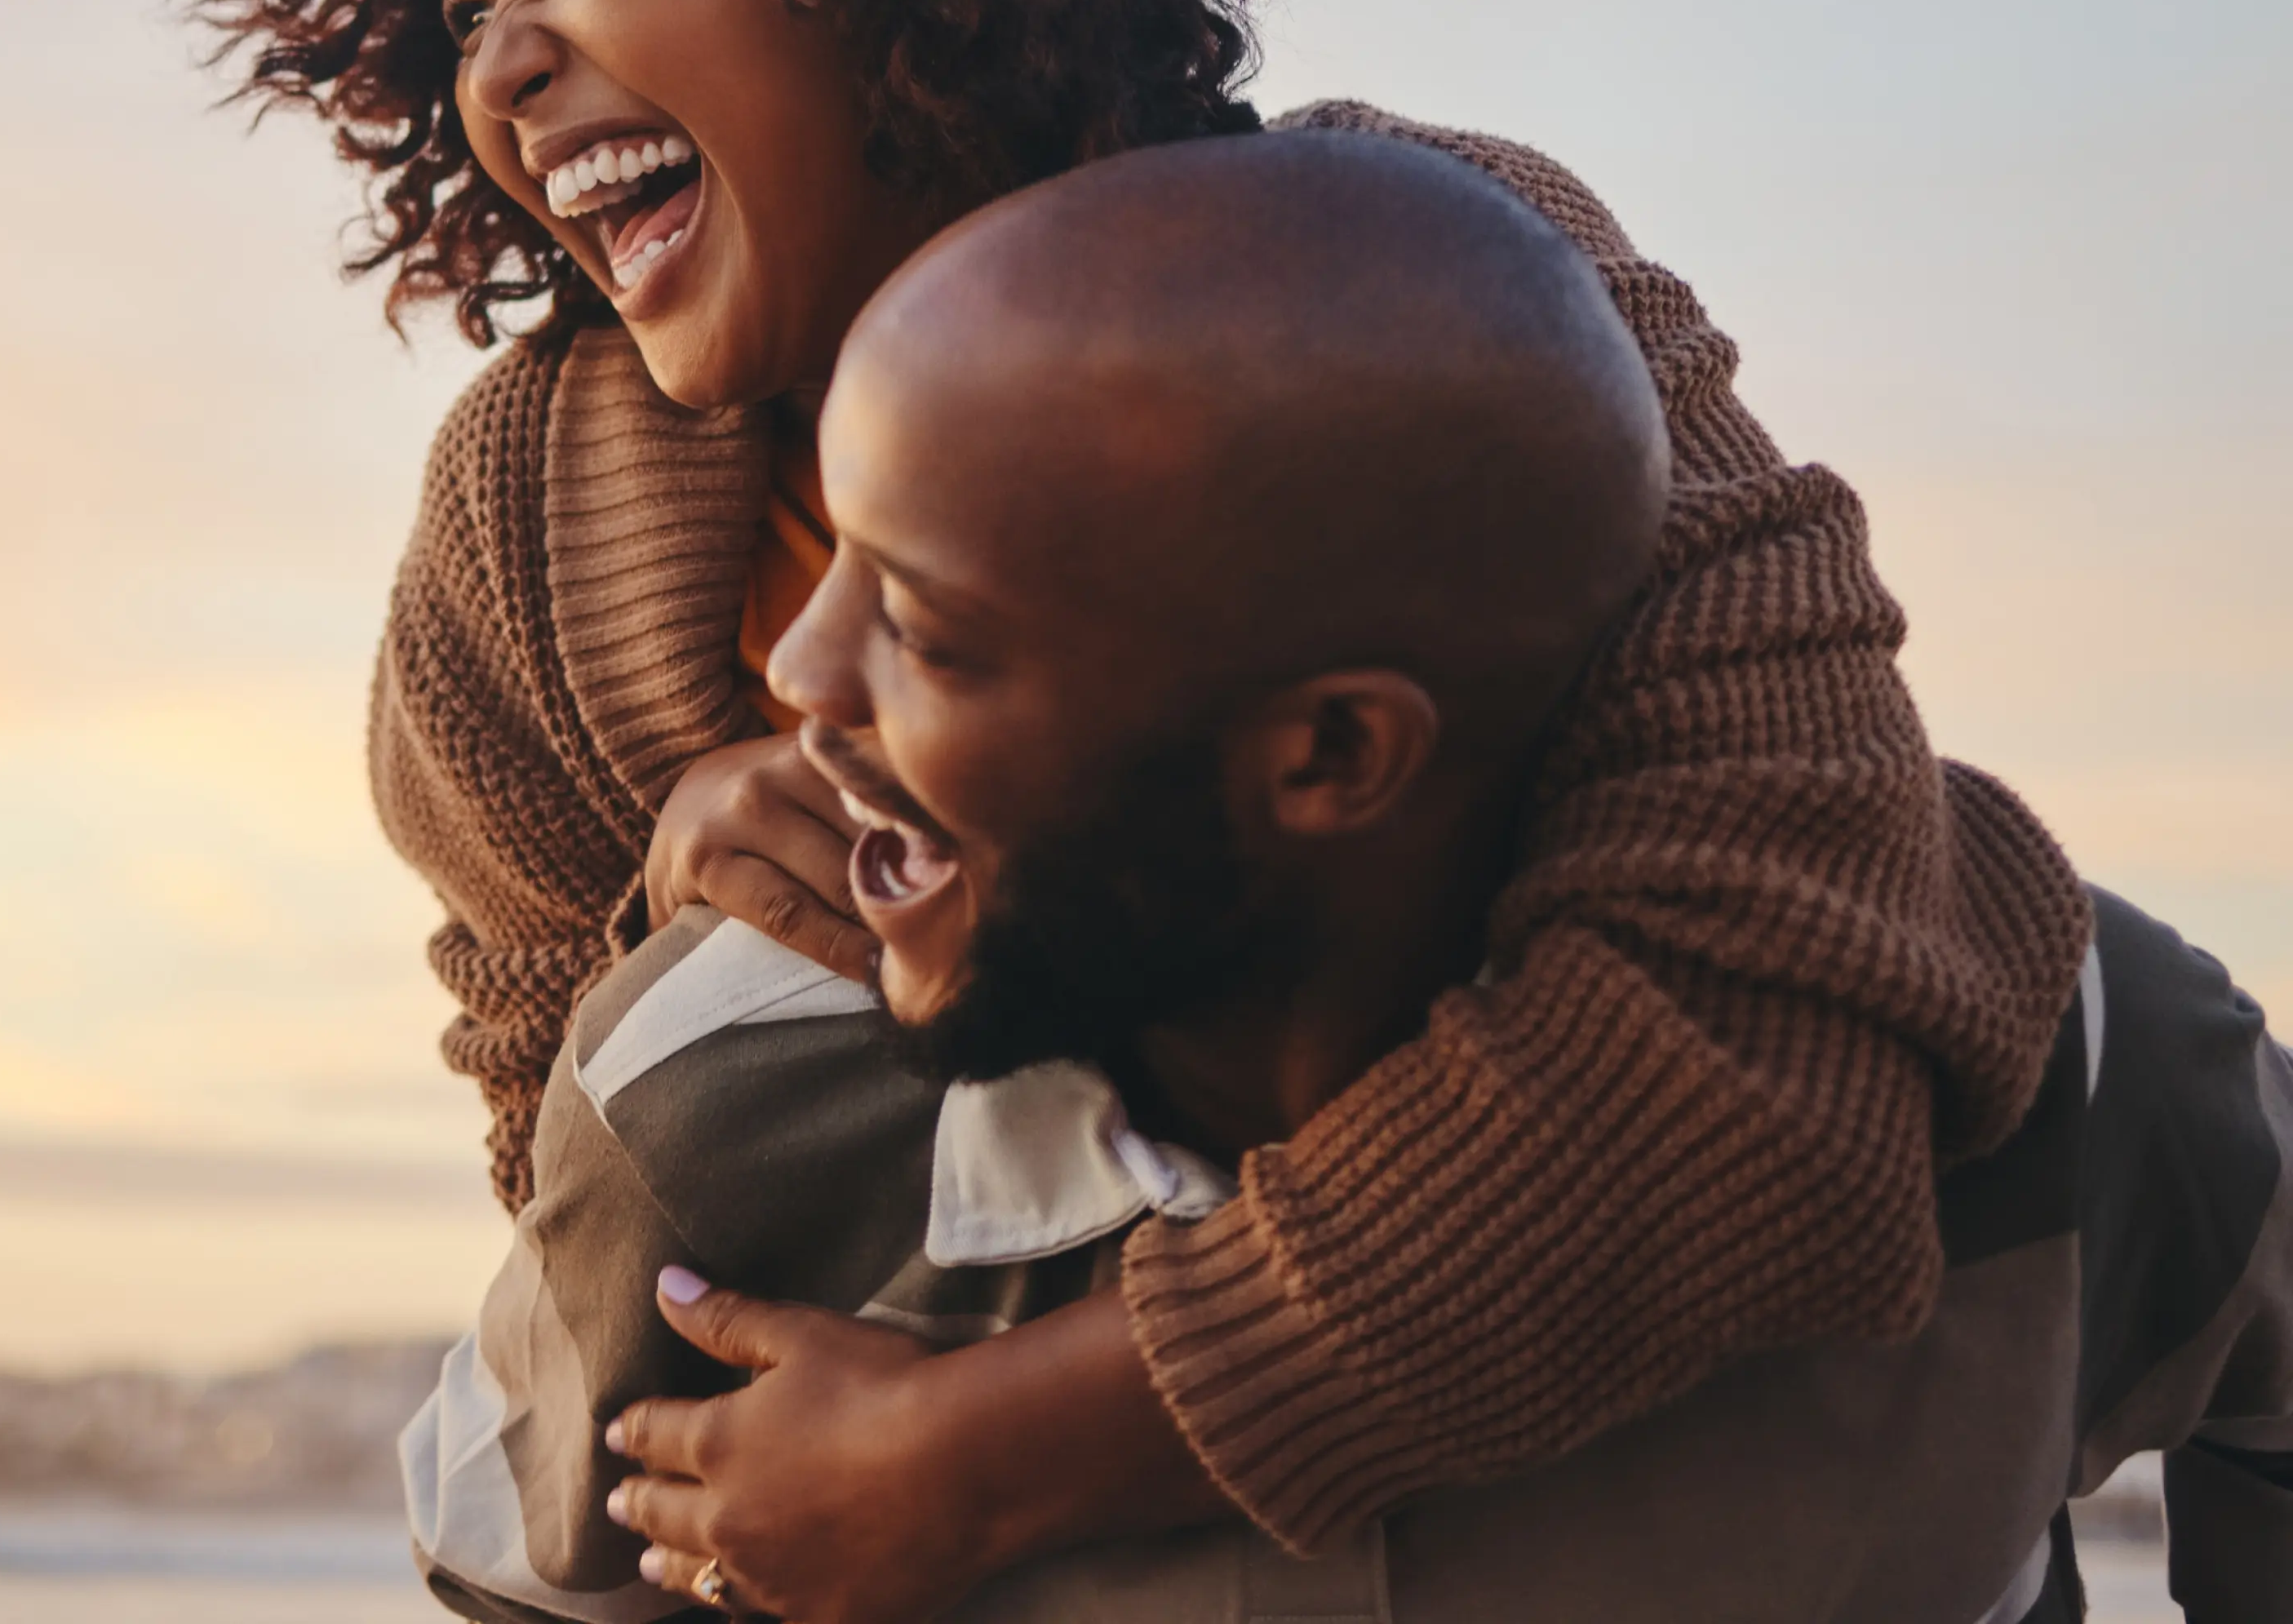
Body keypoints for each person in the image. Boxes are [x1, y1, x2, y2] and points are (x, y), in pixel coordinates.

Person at [205, 0, 2090, 1587]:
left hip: (1617, 1416)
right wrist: (663, 930)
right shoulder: (524, 534)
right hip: (995, 1467)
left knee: (2131, 1026)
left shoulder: (1433, 291)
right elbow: (581, 1216)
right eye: (463, 10)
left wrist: (1006, 1451)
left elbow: (1779, 1015)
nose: (507, 67)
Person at [410, 136, 2293, 1624]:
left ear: (1330, 756)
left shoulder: (2064, 1058)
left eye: (929, 630)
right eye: (833, 558)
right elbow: (515, 1576)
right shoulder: (710, 1099)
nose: (801, 683)